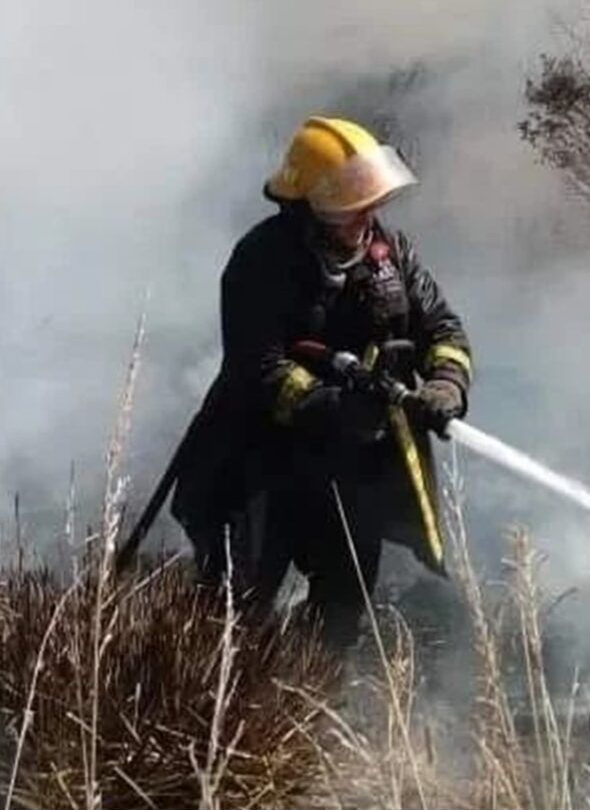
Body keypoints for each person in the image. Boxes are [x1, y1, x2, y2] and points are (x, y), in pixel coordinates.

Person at [171, 116, 472, 648]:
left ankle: (308, 706)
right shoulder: (261, 261)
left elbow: (442, 328)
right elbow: (258, 368)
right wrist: (333, 407)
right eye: (350, 200)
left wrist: (446, 382)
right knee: (237, 609)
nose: (366, 213)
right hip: (261, 463)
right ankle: (214, 711)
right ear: (307, 203)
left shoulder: (390, 254)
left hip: (353, 470)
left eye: (369, 197)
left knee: (342, 604)